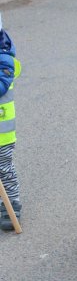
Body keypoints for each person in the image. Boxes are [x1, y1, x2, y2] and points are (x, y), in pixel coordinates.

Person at [0, 12, 23, 231]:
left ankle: (10, 204)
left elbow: (3, 83)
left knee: (3, 168)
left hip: (2, 132)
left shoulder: (4, 57)